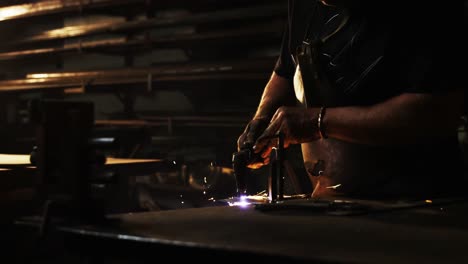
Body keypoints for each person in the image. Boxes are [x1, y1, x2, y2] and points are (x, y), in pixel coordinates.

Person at [237, 0, 467, 199]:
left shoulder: (428, 9)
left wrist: (318, 123)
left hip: (414, 202)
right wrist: (263, 117)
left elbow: (436, 113)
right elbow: (287, 70)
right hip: (328, 201)